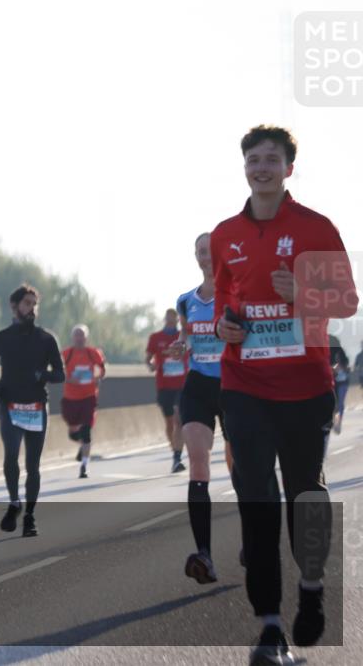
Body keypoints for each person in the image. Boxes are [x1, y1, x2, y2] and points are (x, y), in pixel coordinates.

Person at [212, 125, 358, 664]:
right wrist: (228, 326)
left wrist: (306, 292)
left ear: (289, 168)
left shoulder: (316, 228)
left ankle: (313, 584)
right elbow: (228, 301)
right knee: (257, 497)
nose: (262, 167)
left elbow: (346, 301)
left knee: (305, 494)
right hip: (244, 383)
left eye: (272, 159)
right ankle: (270, 627)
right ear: (244, 167)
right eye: (253, 159)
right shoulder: (226, 233)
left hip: (306, 386)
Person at [168, 232, 234, 585]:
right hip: (198, 385)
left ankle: (253, 541)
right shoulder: (185, 301)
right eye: (198, 252)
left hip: (235, 384)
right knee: (197, 458)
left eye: (208, 251)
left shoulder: (236, 294)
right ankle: (204, 555)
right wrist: (181, 347)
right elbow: (186, 337)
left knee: (240, 466)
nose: (203, 257)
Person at [0, 285, 65, 536]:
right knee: (10, 457)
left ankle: (29, 516)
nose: (32, 309)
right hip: (10, 406)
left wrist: (43, 374)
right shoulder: (1, 338)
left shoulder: (46, 339)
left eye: (34, 304)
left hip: (36, 408)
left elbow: (60, 374)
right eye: (27, 303)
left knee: (33, 465)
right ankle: (14, 502)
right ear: (14, 306)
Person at [60, 324, 106, 478]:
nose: (79, 338)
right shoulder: (66, 353)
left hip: (88, 397)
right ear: (72, 337)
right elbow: (57, 371)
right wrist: (68, 378)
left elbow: (102, 369)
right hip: (70, 398)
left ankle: (84, 465)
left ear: (86, 337)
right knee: (73, 433)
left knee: (86, 431)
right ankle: (83, 446)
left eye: (82, 335)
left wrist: (98, 377)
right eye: (76, 335)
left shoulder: (93, 353)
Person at [146, 309, 188, 473]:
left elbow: (192, 355)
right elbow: (148, 358)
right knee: (170, 423)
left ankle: (177, 457)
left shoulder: (183, 337)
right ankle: (175, 451)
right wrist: (150, 364)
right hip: (164, 386)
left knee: (178, 420)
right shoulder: (155, 338)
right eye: (169, 319)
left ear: (177, 320)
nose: (172, 322)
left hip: (182, 385)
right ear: (165, 319)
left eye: (174, 319)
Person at [329, 334, 350, 435]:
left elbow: (346, 363)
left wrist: (342, 366)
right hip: (333, 382)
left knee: (340, 404)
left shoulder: (341, 353)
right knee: (334, 404)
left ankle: (338, 423)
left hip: (342, 381)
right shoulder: (328, 354)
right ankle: (335, 421)